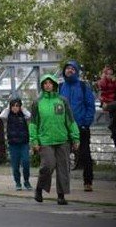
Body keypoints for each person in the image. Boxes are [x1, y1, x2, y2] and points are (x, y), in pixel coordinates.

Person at [30, 72, 79, 205]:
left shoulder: (62, 101)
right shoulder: (37, 102)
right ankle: (39, 189)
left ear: (55, 85)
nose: (48, 85)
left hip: (63, 140)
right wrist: (34, 141)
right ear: (42, 86)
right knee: (48, 165)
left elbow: (70, 120)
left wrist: (75, 138)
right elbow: (33, 123)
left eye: (50, 83)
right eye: (45, 83)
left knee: (63, 168)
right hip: (45, 141)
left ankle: (61, 196)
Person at [58, 59, 96, 191]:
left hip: (81, 126)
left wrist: (86, 123)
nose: (70, 70)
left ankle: (88, 181)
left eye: (72, 69)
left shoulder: (83, 86)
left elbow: (90, 106)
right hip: (64, 128)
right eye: (67, 68)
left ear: (76, 71)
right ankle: (63, 183)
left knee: (85, 154)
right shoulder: (60, 87)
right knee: (63, 157)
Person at [0, 95, 32, 190]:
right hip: (13, 144)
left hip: (24, 143)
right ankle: (18, 183)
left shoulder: (23, 116)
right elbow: (1, 115)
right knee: (15, 165)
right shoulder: (8, 116)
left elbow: (29, 115)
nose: (15, 107)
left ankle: (26, 181)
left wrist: (23, 108)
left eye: (17, 106)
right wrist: (8, 107)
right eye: (13, 106)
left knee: (26, 162)